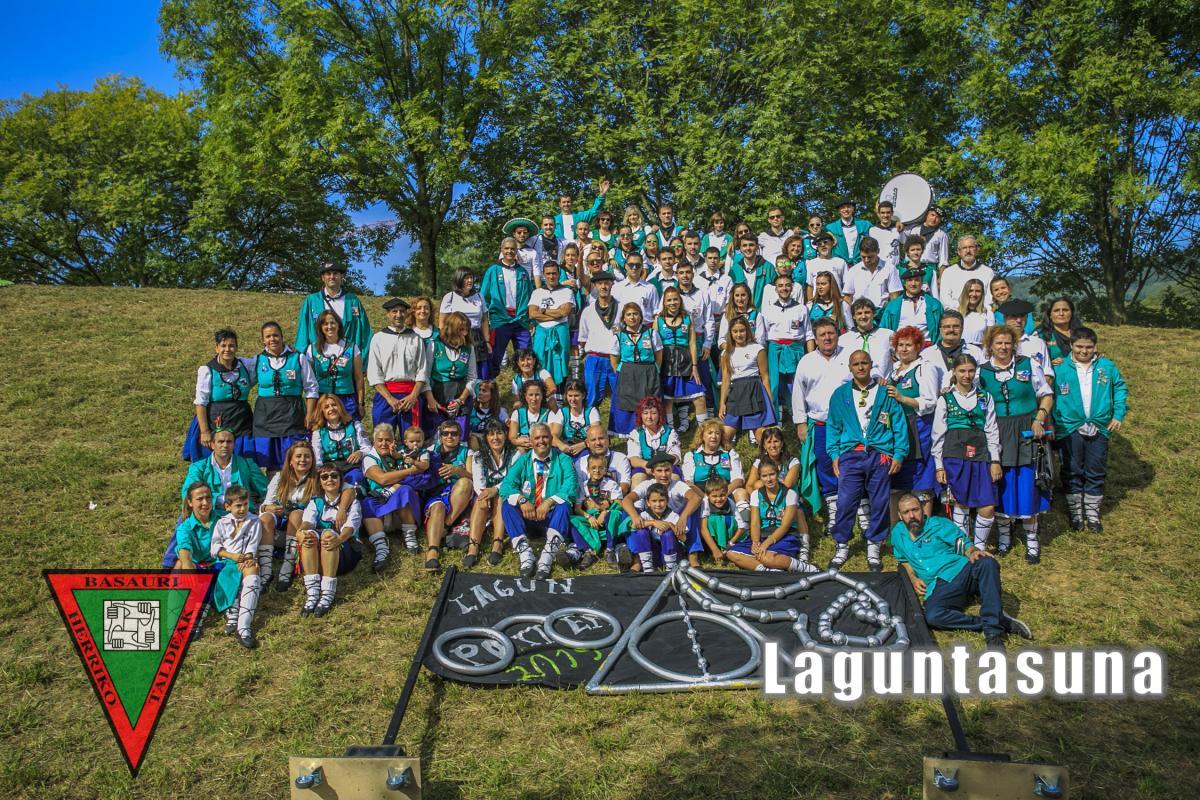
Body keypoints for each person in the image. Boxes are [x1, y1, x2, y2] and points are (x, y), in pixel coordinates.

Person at [891, 494, 1032, 649]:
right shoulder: (897, 534)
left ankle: (993, 633)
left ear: (922, 509)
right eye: (906, 512)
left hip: (962, 572)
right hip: (938, 586)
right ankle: (993, 621)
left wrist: (973, 551)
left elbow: (962, 544)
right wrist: (913, 578)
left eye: (915, 510)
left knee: (986, 562)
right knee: (933, 617)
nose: (912, 515)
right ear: (900, 515)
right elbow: (903, 560)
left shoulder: (939, 524)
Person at [825, 350, 908, 571]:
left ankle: (874, 544)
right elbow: (833, 427)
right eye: (856, 364)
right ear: (850, 368)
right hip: (850, 454)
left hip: (879, 453)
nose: (860, 367)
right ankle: (842, 543)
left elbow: (899, 424)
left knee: (879, 502)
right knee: (845, 501)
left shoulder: (885, 392)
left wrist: (899, 453)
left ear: (871, 365)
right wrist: (835, 455)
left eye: (864, 363)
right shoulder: (840, 394)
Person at [979, 325, 1054, 562]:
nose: (1003, 347)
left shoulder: (1028, 364)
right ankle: (1004, 537)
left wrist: (1040, 417)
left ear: (1014, 344)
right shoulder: (981, 372)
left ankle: (1032, 539)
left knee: (1027, 484)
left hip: (1026, 429)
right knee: (1002, 484)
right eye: (998, 343)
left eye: (1007, 343)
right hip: (997, 430)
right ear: (990, 346)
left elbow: (1046, 394)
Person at [1052, 327, 1127, 532]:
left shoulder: (1106, 366)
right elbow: (1049, 396)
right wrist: (1051, 423)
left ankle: (1092, 513)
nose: (1084, 351)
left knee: (1096, 469)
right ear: (1071, 345)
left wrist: (1118, 414)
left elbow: (1119, 387)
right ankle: (1076, 512)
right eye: (1079, 347)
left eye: (1089, 347)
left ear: (1095, 347)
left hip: (1099, 426)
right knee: (1072, 469)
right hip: (1070, 427)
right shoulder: (1059, 368)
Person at [931, 354, 1003, 550]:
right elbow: (938, 434)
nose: (966, 375)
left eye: (971, 370)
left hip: (981, 454)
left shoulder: (985, 397)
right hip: (954, 454)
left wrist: (995, 460)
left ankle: (979, 548)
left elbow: (992, 429)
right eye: (962, 371)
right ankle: (964, 549)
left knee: (987, 504)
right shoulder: (945, 399)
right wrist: (939, 466)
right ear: (954, 372)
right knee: (960, 503)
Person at [499, 423, 579, 578]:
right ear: (531, 441)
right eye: (537, 438)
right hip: (528, 517)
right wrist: (522, 500)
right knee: (508, 504)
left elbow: (571, 486)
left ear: (551, 439)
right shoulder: (523, 460)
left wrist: (548, 502)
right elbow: (506, 485)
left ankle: (546, 557)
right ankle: (525, 554)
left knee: (563, 505)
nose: (541, 441)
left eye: (545, 437)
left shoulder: (563, 459)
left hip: (550, 518)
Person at [792, 317, 852, 519]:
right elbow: (798, 394)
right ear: (815, 339)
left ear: (838, 335)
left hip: (848, 425)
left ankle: (856, 509)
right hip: (820, 424)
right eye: (822, 334)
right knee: (824, 465)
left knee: (850, 463)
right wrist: (800, 423)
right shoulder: (807, 361)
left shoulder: (849, 356)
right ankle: (834, 513)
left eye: (831, 333)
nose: (827, 338)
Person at [725, 458, 820, 574]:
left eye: (772, 474)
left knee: (766, 557)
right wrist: (755, 542)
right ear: (760, 477)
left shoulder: (790, 494)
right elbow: (755, 523)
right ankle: (768, 570)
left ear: (778, 473)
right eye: (764, 476)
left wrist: (766, 544)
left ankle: (804, 567)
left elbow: (785, 526)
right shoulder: (756, 494)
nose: (769, 479)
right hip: (763, 534)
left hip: (784, 535)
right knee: (731, 553)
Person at [249, 321, 319, 471]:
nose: (272, 339)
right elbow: (243, 382)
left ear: (282, 336)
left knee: (293, 459)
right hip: (266, 418)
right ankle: (272, 485)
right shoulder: (257, 361)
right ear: (263, 340)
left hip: (292, 415)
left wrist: (310, 414)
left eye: (275, 335)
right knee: (269, 463)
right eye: (268, 336)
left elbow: (311, 387)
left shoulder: (298, 358)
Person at [886, 327, 940, 519]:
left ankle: (923, 529)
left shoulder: (925, 368)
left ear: (918, 347)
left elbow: (930, 402)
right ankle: (897, 532)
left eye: (908, 345)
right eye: (900, 345)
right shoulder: (894, 369)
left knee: (921, 480)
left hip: (918, 428)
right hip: (895, 429)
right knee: (896, 482)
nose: (904, 349)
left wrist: (902, 398)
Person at [296, 466, 363, 616]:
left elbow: (350, 528)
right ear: (320, 482)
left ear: (340, 480)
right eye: (324, 477)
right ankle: (312, 593)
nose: (330, 480)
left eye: (334, 476)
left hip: (345, 551)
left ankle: (328, 593)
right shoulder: (315, 502)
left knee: (328, 535)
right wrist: (301, 532)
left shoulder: (353, 503)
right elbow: (307, 522)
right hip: (320, 556)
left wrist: (338, 539)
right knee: (309, 535)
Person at [183, 328, 256, 462]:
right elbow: (201, 403)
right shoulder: (207, 371)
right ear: (217, 348)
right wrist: (205, 432)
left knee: (243, 462)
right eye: (223, 346)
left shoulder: (246, 365)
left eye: (231, 345)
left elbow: (266, 359)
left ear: (236, 348)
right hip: (215, 424)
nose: (227, 349)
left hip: (242, 423)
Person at [622, 453, 704, 569]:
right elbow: (627, 500)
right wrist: (635, 516)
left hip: (675, 526)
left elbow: (696, 498)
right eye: (659, 471)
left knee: (693, 509)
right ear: (652, 472)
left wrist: (683, 517)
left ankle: (693, 555)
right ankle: (637, 559)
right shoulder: (647, 485)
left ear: (672, 471)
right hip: (652, 528)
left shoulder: (677, 485)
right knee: (628, 512)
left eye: (667, 470)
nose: (664, 475)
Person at [257, 440, 318, 591]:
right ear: (290, 460)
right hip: (278, 532)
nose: (303, 460)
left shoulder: (317, 479)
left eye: (307, 456)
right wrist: (269, 507)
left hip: (302, 530)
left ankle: (288, 566)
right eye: (298, 456)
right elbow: (264, 506)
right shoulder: (279, 477)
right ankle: (266, 571)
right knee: (265, 518)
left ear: (312, 460)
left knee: (296, 514)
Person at [208, 484, 264, 649]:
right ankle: (232, 611)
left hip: (245, 559)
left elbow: (253, 544)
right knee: (226, 575)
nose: (242, 509)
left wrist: (247, 558)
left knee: (253, 572)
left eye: (245, 504)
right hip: (226, 560)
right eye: (238, 505)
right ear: (228, 506)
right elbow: (215, 548)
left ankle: (244, 627)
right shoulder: (222, 522)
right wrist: (232, 556)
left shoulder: (254, 521)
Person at [367, 298, 430, 435]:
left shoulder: (415, 338)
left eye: (402, 311)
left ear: (406, 314)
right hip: (385, 396)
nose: (398, 315)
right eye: (394, 311)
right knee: (383, 438)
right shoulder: (378, 338)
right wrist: (389, 398)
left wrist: (413, 396)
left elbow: (422, 370)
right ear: (388, 314)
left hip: (410, 397)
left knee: (412, 439)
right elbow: (374, 372)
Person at [360, 424, 423, 561]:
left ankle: (410, 535)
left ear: (394, 441)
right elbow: (382, 479)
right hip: (380, 500)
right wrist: (410, 471)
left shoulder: (402, 453)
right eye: (380, 440)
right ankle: (381, 547)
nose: (384, 443)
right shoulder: (369, 458)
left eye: (387, 440)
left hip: (401, 503)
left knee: (405, 490)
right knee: (366, 503)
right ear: (374, 442)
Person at [421, 421, 474, 572]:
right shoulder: (430, 451)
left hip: (458, 493)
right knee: (438, 507)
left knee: (466, 482)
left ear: (459, 436)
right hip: (436, 491)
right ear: (440, 436)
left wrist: (457, 470)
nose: (449, 436)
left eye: (454, 433)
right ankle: (432, 552)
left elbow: (473, 477)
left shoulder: (467, 452)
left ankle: (445, 526)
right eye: (446, 433)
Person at [564, 452, 631, 571]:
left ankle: (609, 549)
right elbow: (577, 508)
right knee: (573, 520)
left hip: (607, 518)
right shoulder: (583, 486)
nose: (597, 470)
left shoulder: (611, 484)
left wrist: (605, 512)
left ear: (605, 469)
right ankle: (588, 551)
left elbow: (619, 503)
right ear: (588, 469)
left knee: (614, 514)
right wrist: (588, 516)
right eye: (593, 467)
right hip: (592, 519)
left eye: (601, 467)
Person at [467, 419, 520, 568]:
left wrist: (495, 490)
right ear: (486, 437)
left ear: (505, 435)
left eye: (499, 433)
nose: (495, 438)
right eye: (491, 434)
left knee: (501, 497)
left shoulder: (515, 454)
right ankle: (473, 547)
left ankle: (497, 543)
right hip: (485, 494)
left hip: (506, 495)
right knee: (480, 500)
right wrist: (485, 493)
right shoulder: (478, 455)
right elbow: (478, 481)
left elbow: (512, 479)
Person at [294, 261, 372, 359]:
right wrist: (300, 359)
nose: (332, 277)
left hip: (348, 359)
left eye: (335, 273)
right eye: (328, 274)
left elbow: (365, 332)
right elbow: (303, 332)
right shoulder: (311, 301)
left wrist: (362, 360)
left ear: (341, 276)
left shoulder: (353, 301)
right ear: (323, 277)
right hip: (319, 360)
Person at [172, 483, 221, 639]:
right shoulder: (184, 527)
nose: (205, 503)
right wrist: (188, 566)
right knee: (180, 565)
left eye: (208, 498)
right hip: (196, 568)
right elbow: (184, 551)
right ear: (190, 502)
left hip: (220, 566)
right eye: (200, 499)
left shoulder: (223, 519)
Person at [672, 261, 717, 431]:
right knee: (681, 379)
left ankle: (709, 418)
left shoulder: (702, 294)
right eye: (681, 272)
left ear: (693, 274)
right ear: (677, 275)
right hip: (679, 342)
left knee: (703, 378)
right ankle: (684, 419)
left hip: (698, 340)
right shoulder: (671, 295)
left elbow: (709, 320)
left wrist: (707, 343)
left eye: (688, 272)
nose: (685, 276)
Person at [481, 237, 535, 376]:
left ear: (516, 251)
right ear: (501, 250)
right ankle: (490, 383)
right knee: (495, 356)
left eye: (512, 248)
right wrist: (485, 319)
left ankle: (525, 383)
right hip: (500, 320)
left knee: (525, 355)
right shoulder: (493, 270)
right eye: (506, 248)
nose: (509, 251)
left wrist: (531, 320)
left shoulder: (522, 272)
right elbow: (483, 296)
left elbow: (530, 296)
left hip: (520, 319)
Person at [720, 316, 777, 445]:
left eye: (742, 331)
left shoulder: (757, 349)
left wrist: (769, 401)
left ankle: (766, 457)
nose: (739, 334)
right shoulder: (726, 353)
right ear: (730, 333)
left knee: (762, 437)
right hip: (735, 393)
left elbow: (765, 377)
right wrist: (722, 403)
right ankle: (727, 457)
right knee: (724, 437)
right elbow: (726, 379)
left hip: (754, 391)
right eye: (735, 331)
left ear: (747, 331)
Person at [683, 419, 749, 529]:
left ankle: (746, 529)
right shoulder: (692, 455)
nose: (714, 436)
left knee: (741, 493)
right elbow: (688, 482)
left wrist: (722, 495)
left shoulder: (729, 454)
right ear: (702, 436)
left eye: (717, 433)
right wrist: (706, 497)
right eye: (710, 433)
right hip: (701, 493)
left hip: (725, 491)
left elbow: (739, 479)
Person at [656, 286, 707, 428]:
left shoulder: (687, 318)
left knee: (700, 397)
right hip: (666, 363)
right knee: (667, 400)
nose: (673, 303)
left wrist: (695, 366)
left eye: (675, 299)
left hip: (686, 363)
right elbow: (656, 345)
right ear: (664, 302)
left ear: (680, 300)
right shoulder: (658, 319)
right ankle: (671, 432)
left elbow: (692, 343)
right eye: (669, 300)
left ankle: (703, 432)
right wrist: (656, 367)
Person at [762, 272, 811, 422]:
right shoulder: (768, 310)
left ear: (792, 288)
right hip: (775, 348)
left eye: (787, 285)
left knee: (798, 383)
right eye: (781, 286)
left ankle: (799, 416)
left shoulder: (802, 309)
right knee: (774, 384)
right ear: (776, 289)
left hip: (796, 348)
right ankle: (774, 419)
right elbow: (763, 336)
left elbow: (808, 334)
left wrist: (810, 357)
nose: (784, 288)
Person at [609, 303, 663, 436]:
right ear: (624, 318)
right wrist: (620, 371)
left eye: (635, 314)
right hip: (627, 373)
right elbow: (614, 357)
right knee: (626, 400)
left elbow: (659, 353)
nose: (632, 317)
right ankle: (627, 431)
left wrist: (656, 368)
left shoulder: (651, 333)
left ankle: (649, 428)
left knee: (648, 400)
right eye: (628, 314)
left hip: (647, 371)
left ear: (640, 316)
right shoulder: (619, 336)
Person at [423, 311, 477, 436]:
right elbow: (425, 375)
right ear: (452, 328)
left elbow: (472, 376)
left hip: (461, 395)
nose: (465, 333)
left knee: (460, 434)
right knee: (438, 434)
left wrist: (460, 400)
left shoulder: (469, 348)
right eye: (461, 329)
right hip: (438, 394)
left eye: (467, 329)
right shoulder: (434, 345)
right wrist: (431, 399)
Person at [307, 310, 365, 420]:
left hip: (346, 399)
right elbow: (308, 380)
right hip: (322, 400)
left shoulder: (352, 347)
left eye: (332, 323)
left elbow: (359, 378)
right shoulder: (312, 348)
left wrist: (360, 403)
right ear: (320, 327)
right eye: (325, 324)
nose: (330, 326)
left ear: (338, 325)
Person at [577, 270, 620, 413]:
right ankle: (589, 423)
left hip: (616, 359)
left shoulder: (621, 308)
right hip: (594, 359)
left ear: (612, 284)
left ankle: (618, 426)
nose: (603, 286)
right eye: (600, 283)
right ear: (595, 286)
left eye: (606, 283)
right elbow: (583, 339)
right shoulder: (588, 311)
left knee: (620, 396)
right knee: (591, 397)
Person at [439, 267, 492, 379]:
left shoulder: (479, 296)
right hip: (457, 338)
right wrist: (445, 343)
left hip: (477, 337)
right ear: (459, 279)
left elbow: (484, 320)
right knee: (461, 370)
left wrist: (487, 341)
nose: (470, 280)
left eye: (471, 277)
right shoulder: (450, 297)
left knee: (481, 373)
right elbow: (442, 323)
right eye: (466, 278)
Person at [529, 260, 575, 389]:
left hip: (560, 331)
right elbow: (532, 314)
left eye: (554, 273)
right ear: (544, 275)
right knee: (539, 360)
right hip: (541, 332)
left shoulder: (567, 291)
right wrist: (556, 312)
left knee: (560, 361)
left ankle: (559, 393)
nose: (551, 276)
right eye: (548, 274)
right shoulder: (537, 292)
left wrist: (543, 311)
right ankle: (541, 392)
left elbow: (564, 312)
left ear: (559, 274)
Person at [309, 394, 369, 485]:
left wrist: (360, 453)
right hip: (330, 470)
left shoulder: (355, 425)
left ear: (340, 407)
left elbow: (368, 448)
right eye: (326, 407)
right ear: (322, 412)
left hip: (352, 467)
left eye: (334, 405)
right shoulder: (318, 432)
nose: (331, 409)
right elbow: (317, 459)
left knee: (356, 477)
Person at [625, 396, 682, 486]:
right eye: (645, 413)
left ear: (660, 414)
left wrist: (661, 467)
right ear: (641, 415)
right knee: (638, 478)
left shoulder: (670, 432)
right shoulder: (636, 433)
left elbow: (675, 455)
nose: (649, 417)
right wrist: (647, 465)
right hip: (645, 467)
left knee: (674, 477)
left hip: (666, 467)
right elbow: (633, 458)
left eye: (654, 413)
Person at [920, 311, 985, 390]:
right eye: (947, 327)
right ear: (940, 330)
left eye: (956, 326)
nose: (951, 330)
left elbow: (982, 377)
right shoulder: (927, 354)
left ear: (962, 329)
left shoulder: (976, 352)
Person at [879, 268, 944, 344]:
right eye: (909, 280)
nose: (913, 284)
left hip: (927, 346)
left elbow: (942, 329)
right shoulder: (893, 306)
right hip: (902, 346)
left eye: (917, 280)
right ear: (904, 283)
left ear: (922, 282)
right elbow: (884, 330)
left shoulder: (934, 304)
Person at [997, 298, 1053, 377]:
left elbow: (1047, 372)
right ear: (1005, 318)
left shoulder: (1037, 343)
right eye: (1014, 316)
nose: (1019, 320)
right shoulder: (996, 344)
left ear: (1027, 318)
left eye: (1022, 316)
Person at [841, 237, 901, 310]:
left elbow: (894, 296)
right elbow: (848, 298)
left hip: (881, 312)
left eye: (870, 257)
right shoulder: (853, 271)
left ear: (878, 251)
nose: (866, 260)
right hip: (859, 312)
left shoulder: (889, 268)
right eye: (863, 257)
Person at [840, 298, 893, 379]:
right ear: (853, 316)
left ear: (874, 314)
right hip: (853, 384)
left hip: (882, 384)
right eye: (859, 313)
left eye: (867, 312)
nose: (863, 316)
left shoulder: (888, 335)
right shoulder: (843, 340)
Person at [938, 235, 994, 311]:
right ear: (959, 252)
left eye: (971, 247)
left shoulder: (988, 272)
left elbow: (989, 299)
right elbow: (945, 299)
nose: (968, 251)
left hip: (981, 314)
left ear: (977, 249)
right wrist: (962, 310)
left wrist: (978, 311)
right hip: (955, 314)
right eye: (964, 248)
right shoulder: (948, 272)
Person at [576, 423, 633, 494]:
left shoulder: (620, 458)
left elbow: (624, 486)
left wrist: (609, 499)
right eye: (593, 440)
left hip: (615, 499)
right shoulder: (580, 463)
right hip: (588, 499)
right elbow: (579, 489)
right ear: (587, 443)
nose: (598, 443)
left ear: (608, 439)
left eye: (601, 438)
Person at [550, 378, 601, 457]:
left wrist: (583, 444)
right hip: (567, 448)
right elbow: (553, 435)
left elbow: (597, 434)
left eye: (576, 395)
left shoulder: (591, 411)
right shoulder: (562, 412)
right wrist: (561, 446)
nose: (573, 399)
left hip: (586, 448)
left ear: (583, 395)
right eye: (570, 396)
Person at [697, 475, 739, 564]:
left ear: (727, 493)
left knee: (729, 520)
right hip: (710, 538)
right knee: (715, 519)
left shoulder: (731, 502)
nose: (719, 499)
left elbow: (741, 526)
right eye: (714, 496)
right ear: (708, 495)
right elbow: (703, 528)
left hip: (729, 538)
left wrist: (730, 543)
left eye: (722, 495)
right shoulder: (705, 503)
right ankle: (714, 550)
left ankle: (725, 549)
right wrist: (715, 550)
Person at [611, 253, 659, 326]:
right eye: (631, 265)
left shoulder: (650, 288)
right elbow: (613, 314)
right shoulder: (616, 288)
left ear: (642, 267)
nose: (634, 267)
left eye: (638, 265)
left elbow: (656, 313)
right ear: (626, 266)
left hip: (645, 328)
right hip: (623, 328)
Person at [902, 205, 950, 275]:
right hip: (909, 267)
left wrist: (941, 278)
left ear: (940, 220)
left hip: (929, 269)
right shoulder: (914, 229)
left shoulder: (942, 235)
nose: (934, 219)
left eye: (937, 217)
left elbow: (943, 260)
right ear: (927, 215)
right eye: (932, 215)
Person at [825, 198, 873, 265]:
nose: (846, 209)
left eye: (848, 207)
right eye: (843, 207)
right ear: (838, 210)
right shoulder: (830, 228)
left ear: (853, 209)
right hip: (839, 264)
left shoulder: (865, 225)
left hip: (861, 263)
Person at [718, 283, 767, 347]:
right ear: (733, 297)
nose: (740, 299)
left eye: (743, 295)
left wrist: (746, 349)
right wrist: (734, 349)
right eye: (737, 295)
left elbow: (760, 340)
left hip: (751, 350)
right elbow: (721, 340)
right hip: (733, 350)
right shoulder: (727, 315)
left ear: (748, 296)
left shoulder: (756, 314)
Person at [1038, 296, 1082, 367]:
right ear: (1050, 315)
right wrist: (1049, 364)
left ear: (1071, 313)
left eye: (1065, 310)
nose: (1061, 314)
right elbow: (1031, 361)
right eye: (1056, 310)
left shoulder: (1081, 333)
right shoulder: (1040, 335)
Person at [509, 379, 553, 449]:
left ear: (542, 395)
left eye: (537, 395)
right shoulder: (517, 414)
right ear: (525, 396)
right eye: (530, 395)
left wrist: (534, 443)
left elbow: (551, 437)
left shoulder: (549, 414)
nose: (534, 398)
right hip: (523, 449)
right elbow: (512, 438)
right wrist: (520, 442)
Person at [730, 235, 771, 307]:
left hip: (763, 311)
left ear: (757, 247)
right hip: (741, 311)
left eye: (751, 245)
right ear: (740, 249)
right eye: (744, 245)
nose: (748, 248)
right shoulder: (734, 270)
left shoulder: (768, 267)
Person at [466, 379, 507, 451]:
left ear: (492, 395)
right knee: (473, 439)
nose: (480, 393)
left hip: (493, 441)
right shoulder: (470, 409)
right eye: (479, 390)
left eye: (484, 391)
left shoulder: (499, 411)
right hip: (474, 443)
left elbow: (505, 430)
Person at [803, 231, 848, 296]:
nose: (823, 245)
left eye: (825, 242)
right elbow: (810, 286)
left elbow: (846, 285)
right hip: (818, 301)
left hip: (837, 299)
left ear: (832, 244)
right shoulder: (811, 263)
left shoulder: (840, 262)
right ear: (817, 248)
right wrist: (810, 302)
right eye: (819, 244)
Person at [868, 201, 904, 270]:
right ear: (879, 214)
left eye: (888, 212)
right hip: (880, 268)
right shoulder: (872, 231)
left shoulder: (898, 229)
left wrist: (900, 228)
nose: (885, 215)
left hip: (896, 268)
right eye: (882, 213)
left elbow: (904, 242)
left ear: (892, 213)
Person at [959, 279, 990, 346]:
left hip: (979, 350)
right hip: (959, 350)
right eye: (971, 291)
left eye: (978, 291)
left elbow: (989, 339)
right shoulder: (956, 312)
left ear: (982, 294)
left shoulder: (988, 314)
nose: (974, 294)